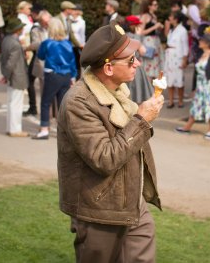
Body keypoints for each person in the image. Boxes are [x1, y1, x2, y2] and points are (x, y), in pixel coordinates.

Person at [56, 21, 164, 262]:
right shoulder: (78, 102)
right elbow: (104, 158)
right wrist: (142, 120)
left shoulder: (119, 94)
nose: (137, 63)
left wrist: (140, 119)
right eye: (130, 60)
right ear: (108, 69)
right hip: (98, 210)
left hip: (131, 203)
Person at [175, 34, 210, 140]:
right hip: (200, 86)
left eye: (201, 41)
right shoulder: (200, 54)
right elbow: (196, 73)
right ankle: (187, 127)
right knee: (196, 106)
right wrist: (193, 88)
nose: (199, 42)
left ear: (207, 43)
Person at [32, 18, 77, 140]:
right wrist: (73, 77)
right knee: (62, 104)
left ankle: (44, 130)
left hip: (52, 74)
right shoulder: (67, 43)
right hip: (66, 75)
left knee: (46, 102)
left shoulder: (47, 43)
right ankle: (64, 132)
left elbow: (40, 56)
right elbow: (72, 61)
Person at [0, 19, 29, 137]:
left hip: (11, 76)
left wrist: (5, 75)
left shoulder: (6, 40)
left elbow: (3, 59)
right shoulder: (16, 44)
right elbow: (11, 63)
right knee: (16, 104)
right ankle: (15, 130)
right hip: (17, 76)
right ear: (17, 30)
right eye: (21, 28)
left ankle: (10, 128)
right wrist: (6, 75)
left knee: (11, 102)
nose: (22, 29)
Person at [23, 9, 50, 116]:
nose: (46, 24)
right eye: (44, 22)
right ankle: (33, 107)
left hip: (51, 61)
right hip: (39, 58)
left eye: (47, 22)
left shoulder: (54, 28)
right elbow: (36, 44)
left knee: (47, 89)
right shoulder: (36, 30)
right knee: (29, 80)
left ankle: (49, 113)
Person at [125, 15, 154, 103]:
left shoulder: (123, 35)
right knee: (137, 93)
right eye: (136, 25)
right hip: (134, 64)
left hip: (125, 65)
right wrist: (138, 36)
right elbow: (143, 51)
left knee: (128, 93)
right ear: (132, 26)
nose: (138, 27)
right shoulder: (133, 36)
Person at [164, 11, 189, 108]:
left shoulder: (182, 30)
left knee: (179, 80)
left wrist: (184, 59)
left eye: (171, 16)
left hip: (178, 57)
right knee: (170, 80)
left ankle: (180, 101)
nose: (169, 18)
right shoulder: (171, 30)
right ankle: (171, 101)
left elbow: (185, 46)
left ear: (176, 19)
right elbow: (166, 38)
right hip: (170, 56)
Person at [137, 0, 164, 81]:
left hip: (155, 42)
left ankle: (153, 91)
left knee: (155, 67)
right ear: (149, 6)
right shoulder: (145, 16)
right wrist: (154, 27)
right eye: (155, 5)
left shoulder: (153, 16)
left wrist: (158, 27)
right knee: (149, 67)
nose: (157, 6)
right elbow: (140, 32)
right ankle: (148, 91)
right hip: (149, 42)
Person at [71, 3, 86, 79]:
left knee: (77, 64)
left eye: (74, 10)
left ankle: (77, 79)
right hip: (69, 45)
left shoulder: (81, 22)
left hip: (77, 46)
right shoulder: (68, 19)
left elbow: (82, 35)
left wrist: (82, 45)